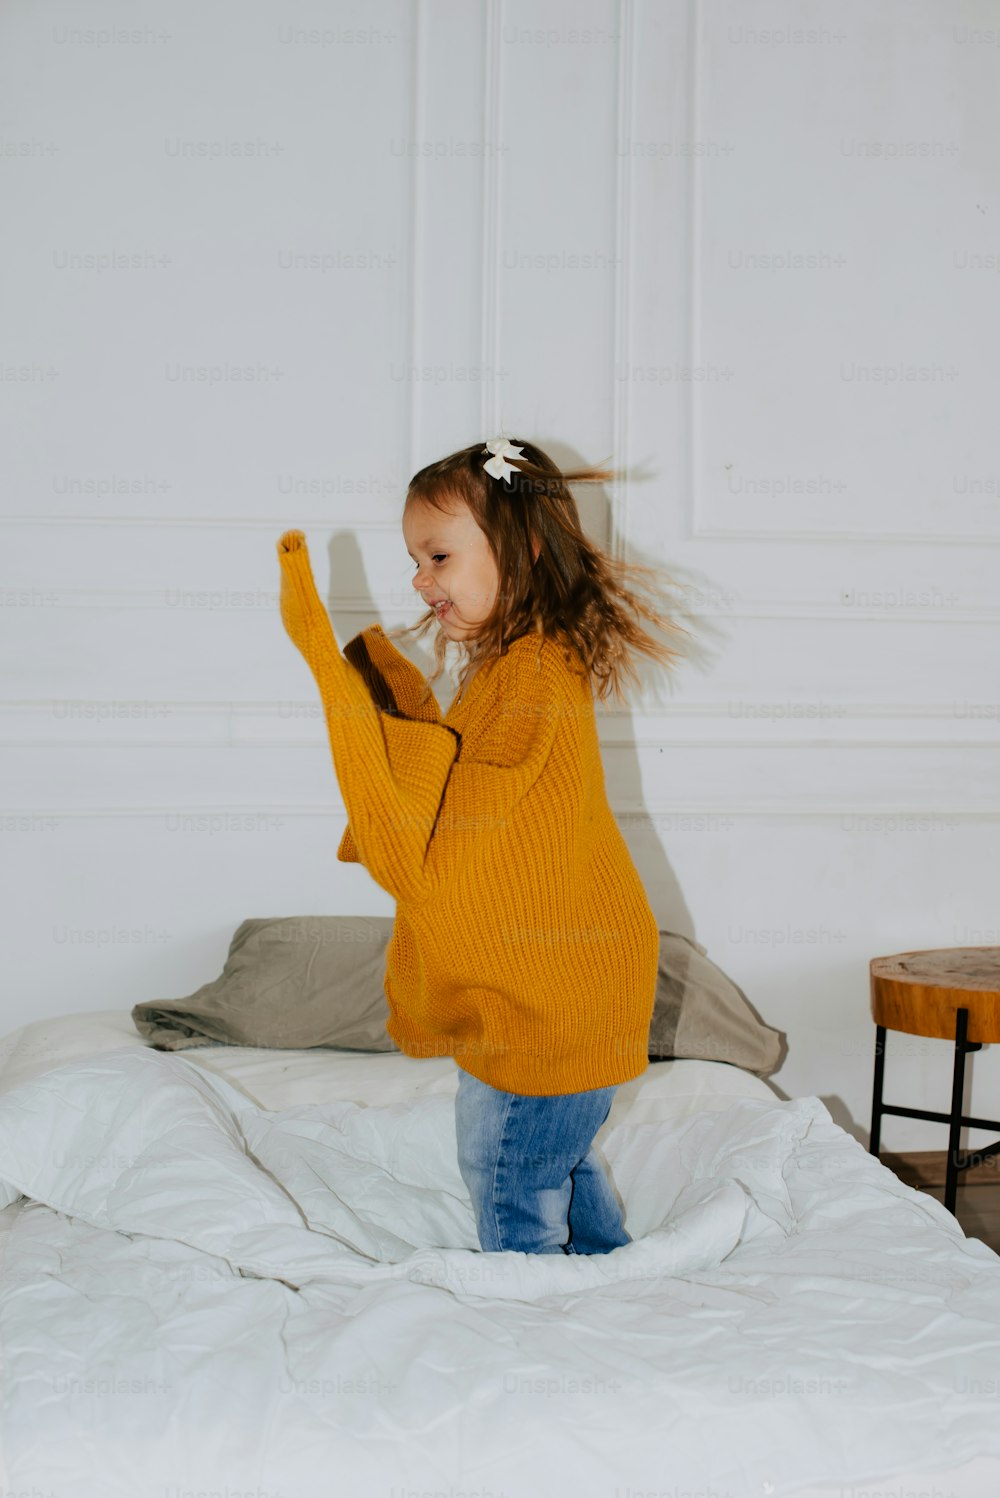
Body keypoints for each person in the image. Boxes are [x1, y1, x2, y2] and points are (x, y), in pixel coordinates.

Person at [276, 437, 685, 1255]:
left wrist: (384, 747)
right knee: (556, 1162)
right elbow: (477, 794)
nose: (421, 581)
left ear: (524, 549)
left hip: (547, 992)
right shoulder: (515, 666)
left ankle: (528, 1306)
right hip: (564, 981)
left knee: (506, 1167)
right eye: (415, 562)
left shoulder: (532, 671)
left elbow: (465, 807)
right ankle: (613, 1271)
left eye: (437, 556)